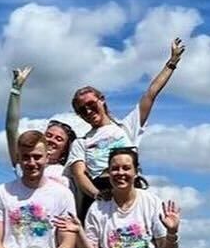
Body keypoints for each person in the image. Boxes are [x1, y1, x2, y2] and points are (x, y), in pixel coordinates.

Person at [67, 38, 185, 204]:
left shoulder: (126, 127)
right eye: (82, 110)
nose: (88, 111)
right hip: (100, 191)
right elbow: (79, 174)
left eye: (91, 104)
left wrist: (171, 63)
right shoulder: (81, 143)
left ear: (102, 100)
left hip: (130, 187)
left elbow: (151, 94)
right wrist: (98, 196)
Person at [4, 66, 77, 188]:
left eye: (59, 139)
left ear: (65, 149)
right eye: (48, 135)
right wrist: (15, 90)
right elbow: (11, 129)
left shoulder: (68, 171)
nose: (52, 140)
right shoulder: (26, 164)